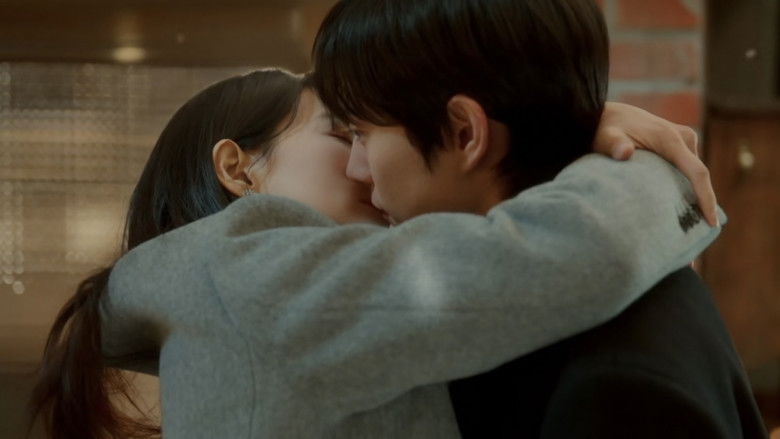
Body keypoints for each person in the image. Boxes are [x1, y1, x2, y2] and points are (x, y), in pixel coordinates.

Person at [29, 3, 723, 439]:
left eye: (365, 132)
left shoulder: (241, 292)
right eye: (344, 133)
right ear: (239, 169)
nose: (363, 166)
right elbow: (571, 255)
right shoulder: (250, 281)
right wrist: (639, 161)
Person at [310, 0, 767, 437]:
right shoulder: (544, 311)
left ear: (465, 133)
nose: (355, 170)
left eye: (361, 134)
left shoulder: (616, 389)